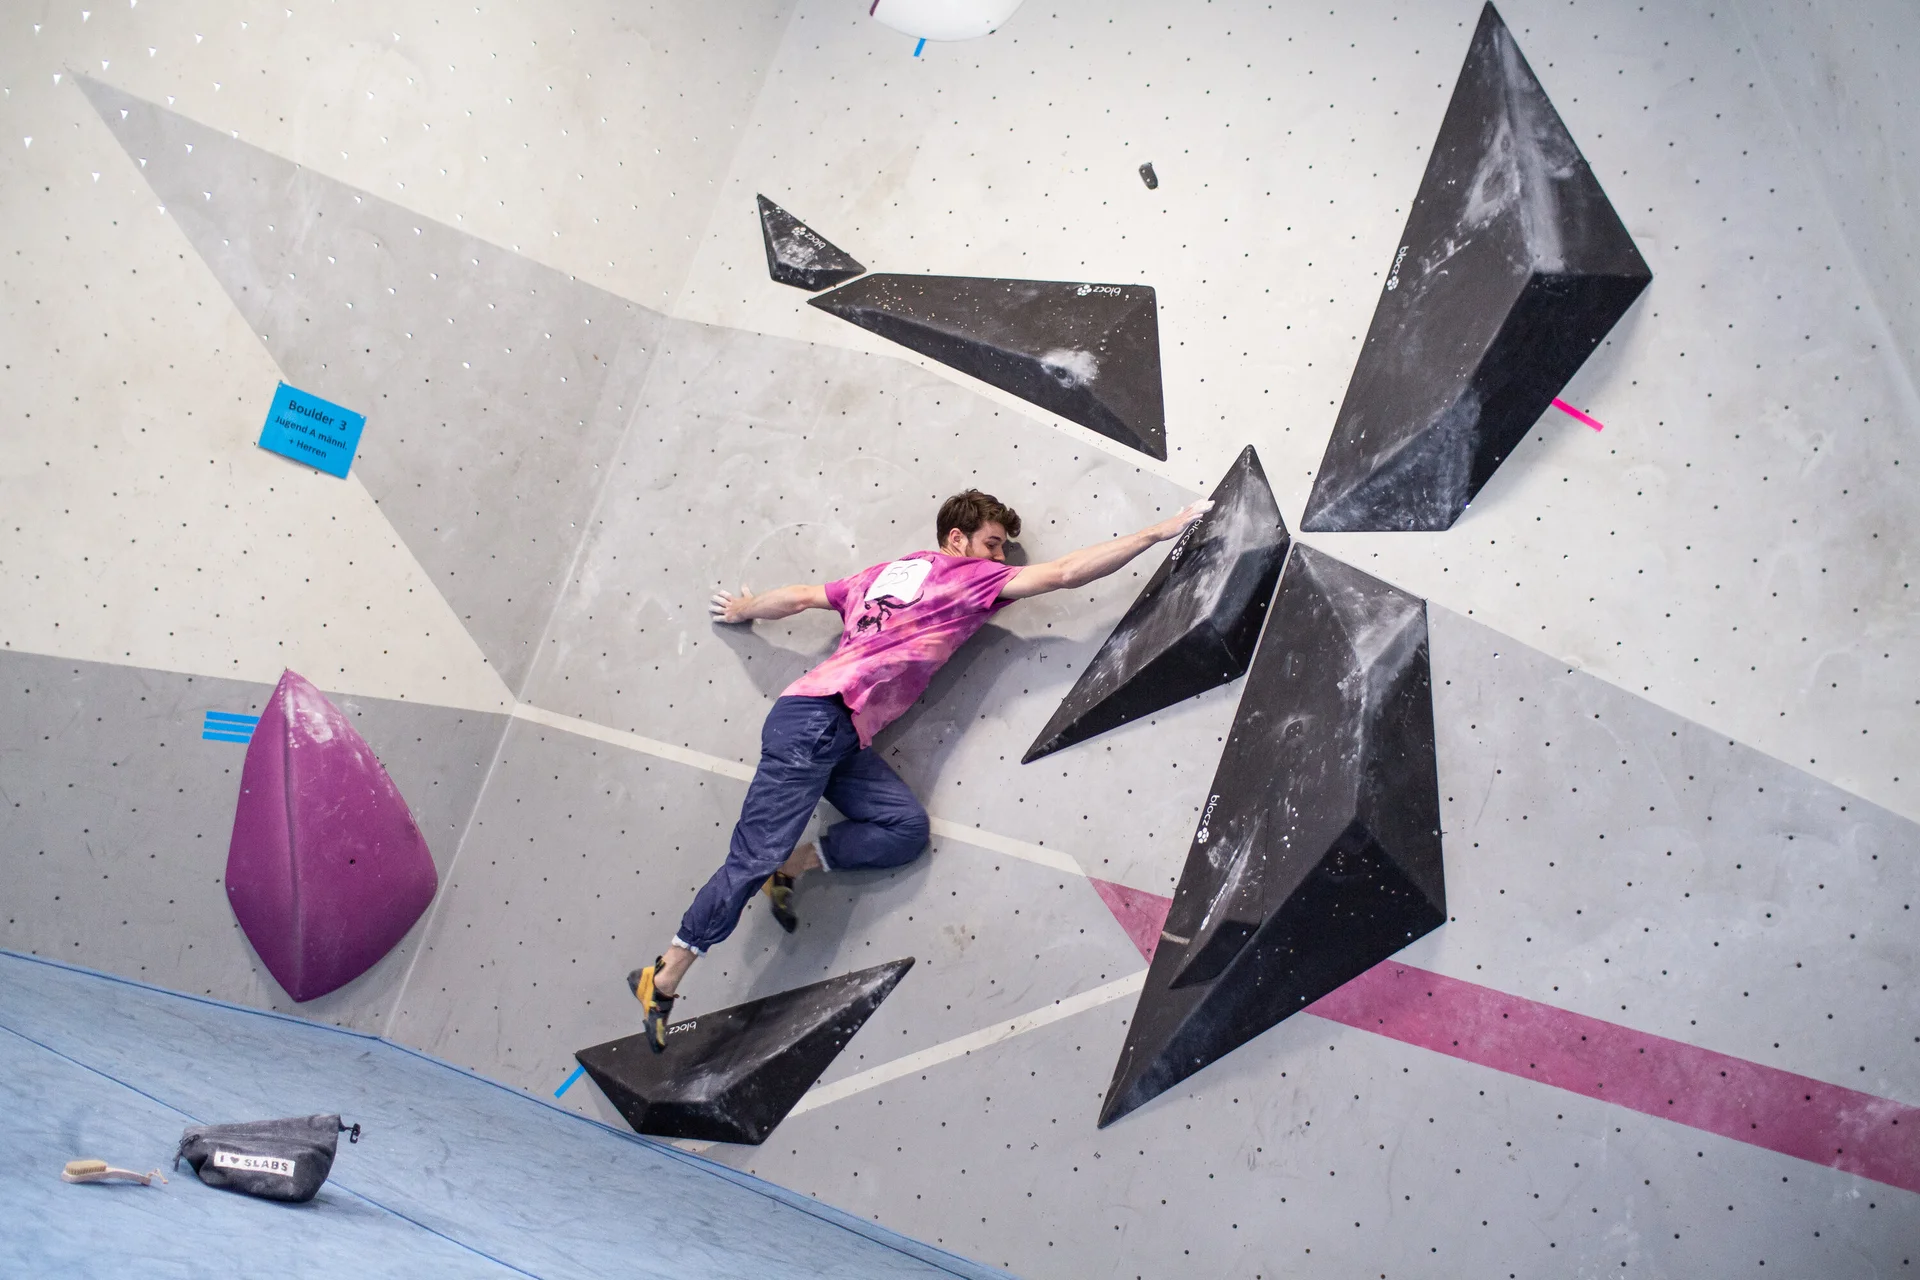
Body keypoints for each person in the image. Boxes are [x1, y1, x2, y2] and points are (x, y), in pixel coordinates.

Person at [630, 488, 1212, 1050]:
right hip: (815, 723)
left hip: (840, 733)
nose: (1001, 558)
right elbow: (1064, 574)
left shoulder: (885, 575)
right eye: (992, 544)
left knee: (903, 829)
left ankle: (793, 864)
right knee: (750, 856)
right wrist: (1162, 530)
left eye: (1005, 548)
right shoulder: (964, 576)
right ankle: (666, 973)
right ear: (956, 539)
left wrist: (747, 608)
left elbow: (807, 594)